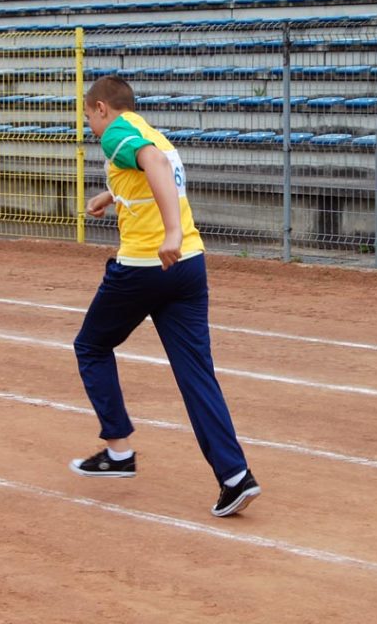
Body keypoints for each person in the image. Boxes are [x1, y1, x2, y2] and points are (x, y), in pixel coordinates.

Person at [67, 74, 261, 517]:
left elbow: (151, 165)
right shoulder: (149, 129)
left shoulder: (117, 132)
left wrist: (169, 231)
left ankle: (118, 454)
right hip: (189, 267)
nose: (91, 128)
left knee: (91, 346)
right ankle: (234, 477)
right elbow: (150, 175)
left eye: (88, 117)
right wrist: (110, 196)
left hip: (145, 266)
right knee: (196, 374)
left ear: (101, 108)